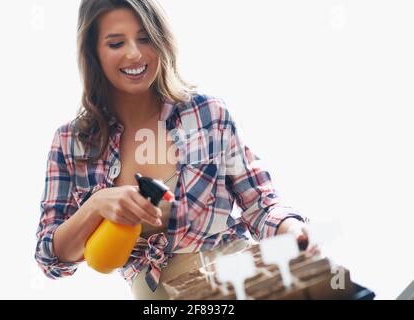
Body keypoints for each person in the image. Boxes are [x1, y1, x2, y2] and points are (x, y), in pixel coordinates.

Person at [35, 0, 311, 299]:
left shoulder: (207, 114)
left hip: (242, 282)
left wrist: (294, 231)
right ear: (94, 53)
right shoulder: (71, 143)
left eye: (145, 38)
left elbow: (261, 204)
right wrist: (95, 205)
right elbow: (50, 258)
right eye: (116, 43)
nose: (134, 53)